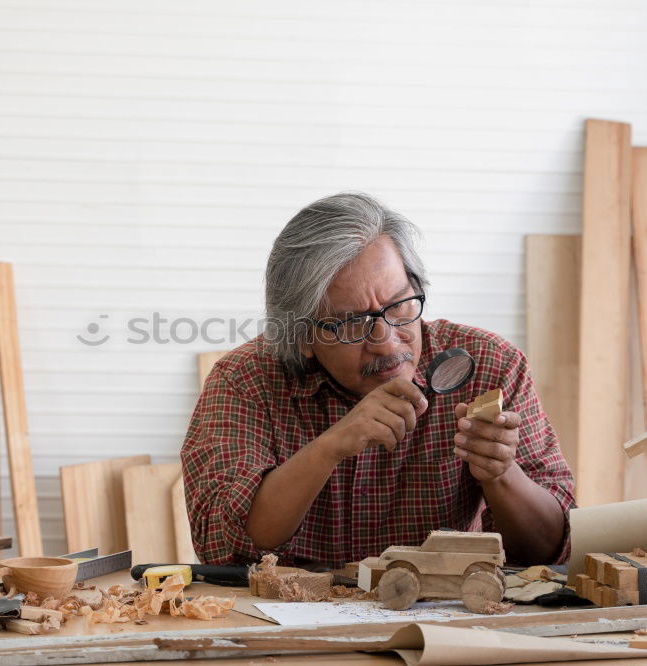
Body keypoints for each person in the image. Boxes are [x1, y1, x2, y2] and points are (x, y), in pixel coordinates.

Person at [181, 192, 575, 568]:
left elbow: (553, 551)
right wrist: (329, 448)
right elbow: (222, 547)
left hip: (440, 622)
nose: (387, 344)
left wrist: (502, 474)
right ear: (302, 338)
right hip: (291, 624)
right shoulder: (244, 382)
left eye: (400, 306)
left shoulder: (491, 366)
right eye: (352, 323)